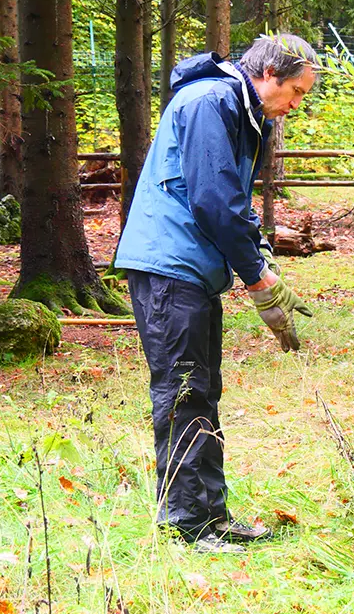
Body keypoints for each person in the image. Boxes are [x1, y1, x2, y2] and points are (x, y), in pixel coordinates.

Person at [115, 35, 317, 554]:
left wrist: (262, 257)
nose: (295, 105)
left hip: (193, 269)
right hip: (168, 265)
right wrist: (258, 280)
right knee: (182, 391)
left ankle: (211, 516)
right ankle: (184, 524)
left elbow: (233, 203)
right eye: (294, 92)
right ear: (268, 72)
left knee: (204, 389)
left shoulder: (239, 109)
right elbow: (212, 200)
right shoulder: (211, 102)